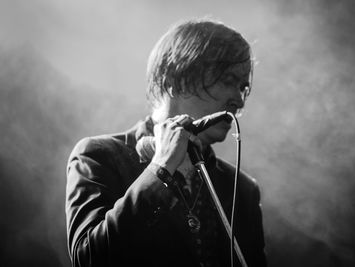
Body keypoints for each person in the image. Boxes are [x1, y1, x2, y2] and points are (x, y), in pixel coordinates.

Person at [66, 18, 267, 267]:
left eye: (243, 87)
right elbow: (89, 260)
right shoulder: (98, 156)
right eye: (228, 80)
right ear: (177, 79)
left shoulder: (242, 189)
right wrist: (160, 169)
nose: (239, 99)